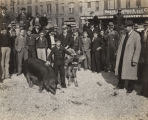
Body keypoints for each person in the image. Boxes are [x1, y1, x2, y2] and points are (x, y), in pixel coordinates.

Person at [115, 20, 141, 93]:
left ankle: (130, 88)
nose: (125, 28)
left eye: (126, 27)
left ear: (131, 27)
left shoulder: (136, 35)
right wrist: (118, 52)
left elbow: (138, 49)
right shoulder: (124, 35)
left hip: (130, 58)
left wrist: (135, 60)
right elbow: (121, 45)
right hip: (122, 56)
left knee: (131, 73)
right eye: (125, 26)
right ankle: (121, 85)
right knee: (121, 71)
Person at [139, 21, 148, 97]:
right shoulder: (142, 33)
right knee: (143, 73)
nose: (145, 26)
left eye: (147, 25)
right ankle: (143, 91)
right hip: (143, 55)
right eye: (145, 25)